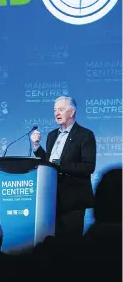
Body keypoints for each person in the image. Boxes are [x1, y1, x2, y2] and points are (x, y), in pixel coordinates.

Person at [30, 96, 96, 238]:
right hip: (51, 198)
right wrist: (36, 147)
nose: (56, 113)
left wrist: (60, 164)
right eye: (55, 110)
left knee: (70, 243)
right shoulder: (52, 135)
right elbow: (49, 163)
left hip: (73, 200)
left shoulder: (85, 135)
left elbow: (88, 167)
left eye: (61, 109)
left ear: (71, 112)